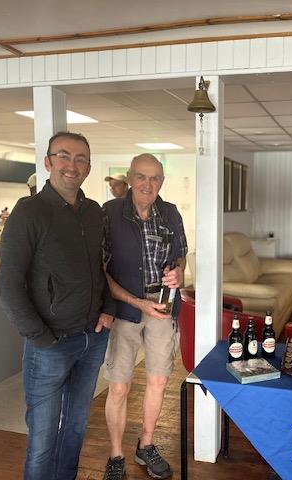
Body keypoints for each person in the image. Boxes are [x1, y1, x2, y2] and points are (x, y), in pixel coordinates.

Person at [0, 131, 115, 480]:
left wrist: (107, 309)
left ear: (89, 168)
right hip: (50, 345)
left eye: (80, 159)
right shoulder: (29, 212)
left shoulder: (93, 212)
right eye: (64, 156)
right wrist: (41, 338)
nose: (72, 165)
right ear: (48, 162)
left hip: (92, 339)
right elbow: (7, 287)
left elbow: (100, 267)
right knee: (43, 438)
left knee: (76, 427)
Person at [101, 153, 187, 480]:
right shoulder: (108, 214)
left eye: (154, 178)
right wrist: (136, 302)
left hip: (163, 308)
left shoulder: (170, 213)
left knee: (159, 379)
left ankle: (146, 444)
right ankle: (116, 454)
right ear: (130, 177)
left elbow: (180, 255)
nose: (147, 184)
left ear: (161, 182)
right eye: (141, 176)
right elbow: (102, 271)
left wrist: (178, 272)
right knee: (119, 387)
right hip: (125, 308)